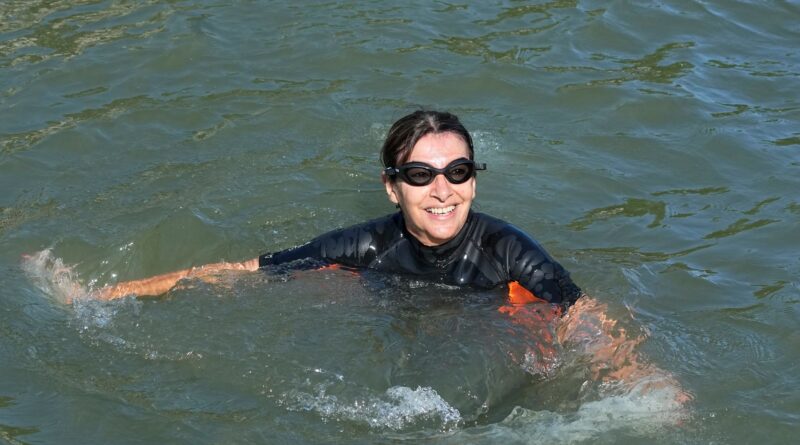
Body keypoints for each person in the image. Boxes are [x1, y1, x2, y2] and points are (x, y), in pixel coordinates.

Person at [96, 110, 582, 307]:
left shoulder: (510, 252)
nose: (442, 190)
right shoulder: (366, 245)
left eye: (457, 172)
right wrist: (103, 296)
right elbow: (239, 271)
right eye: (419, 175)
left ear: (473, 181)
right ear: (392, 188)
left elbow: (585, 318)